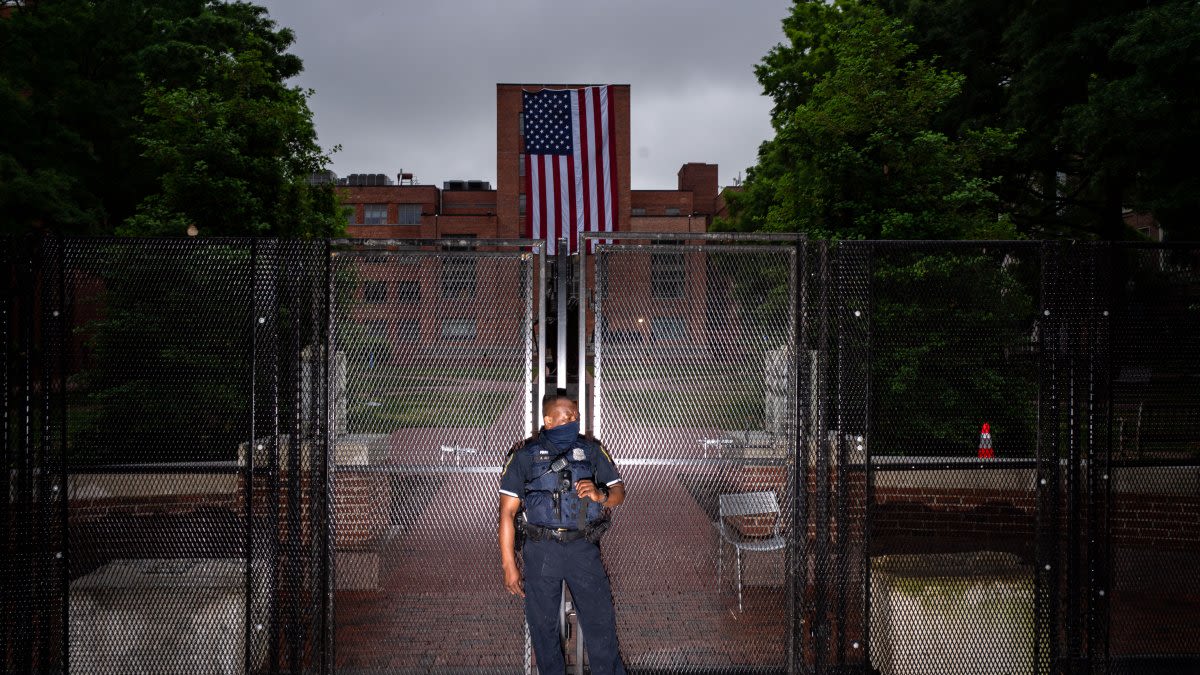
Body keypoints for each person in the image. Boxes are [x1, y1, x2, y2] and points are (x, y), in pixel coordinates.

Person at [499, 392, 627, 675]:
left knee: (600, 623)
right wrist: (510, 566)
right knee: (543, 629)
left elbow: (619, 493)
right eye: (567, 417)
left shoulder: (592, 451)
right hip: (541, 550)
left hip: (583, 548)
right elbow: (507, 513)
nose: (574, 421)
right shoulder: (524, 456)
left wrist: (600, 494)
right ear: (547, 420)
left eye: (576, 417)